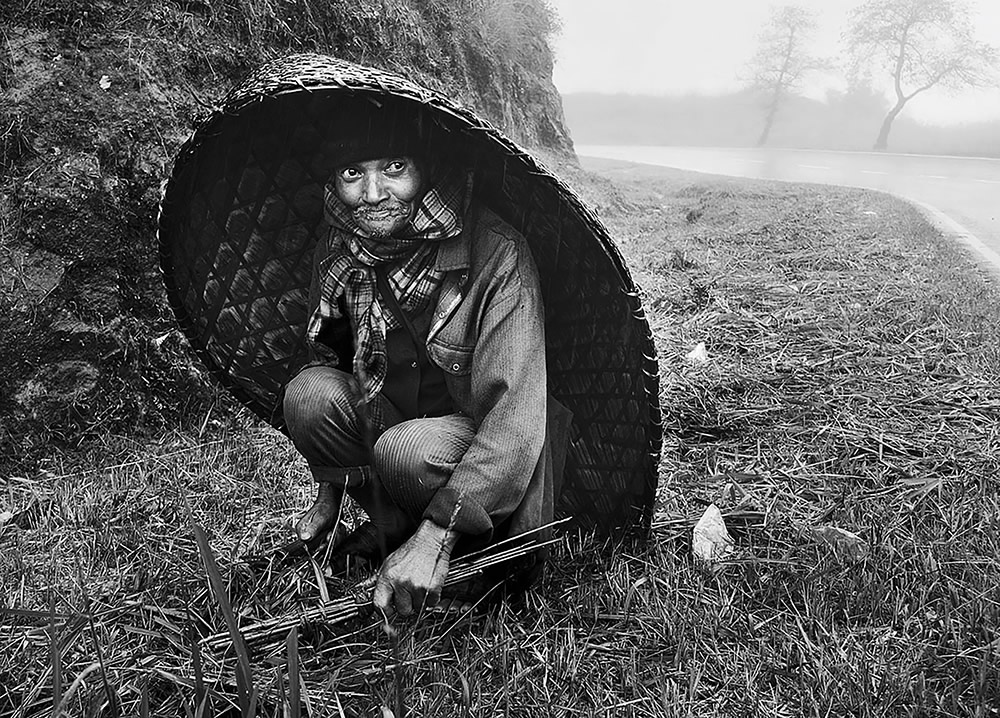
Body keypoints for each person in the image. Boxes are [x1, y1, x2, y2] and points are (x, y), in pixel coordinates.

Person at [281, 110, 562, 618]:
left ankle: (471, 557)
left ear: (425, 169)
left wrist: (438, 533)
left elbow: (515, 425)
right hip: (402, 432)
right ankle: (393, 526)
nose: (371, 194)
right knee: (310, 395)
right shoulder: (343, 250)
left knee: (404, 450)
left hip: (482, 455)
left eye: (393, 167)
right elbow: (335, 359)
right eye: (352, 174)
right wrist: (329, 490)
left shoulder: (498, 255)